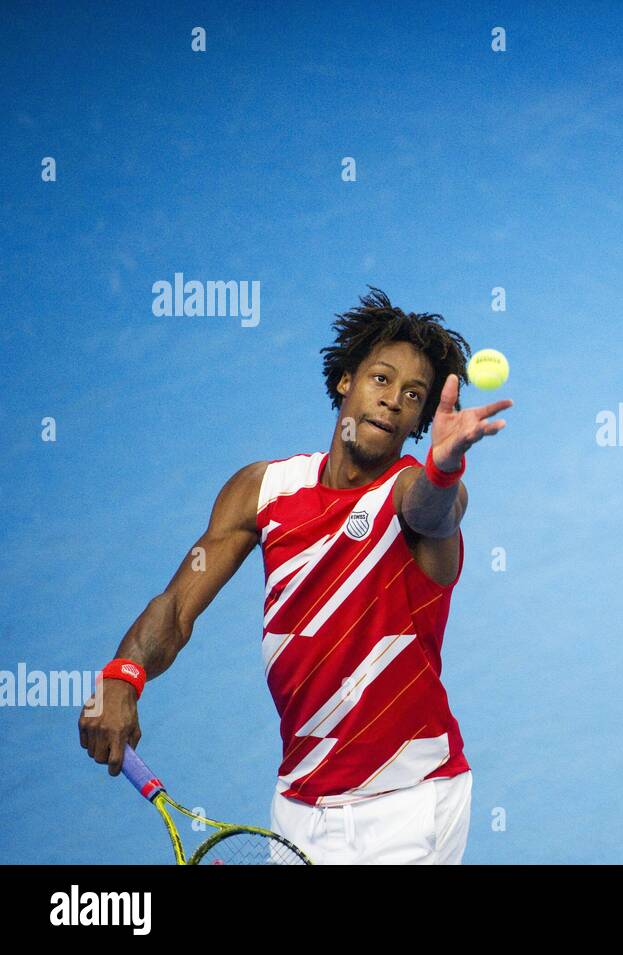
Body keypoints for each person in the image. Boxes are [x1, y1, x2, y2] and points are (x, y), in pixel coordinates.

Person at [78, 287, 510, 864]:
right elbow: (177, 608)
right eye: (381, 380)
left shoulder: (411, 493)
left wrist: (445, 465)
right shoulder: (263, 491)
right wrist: (124, 673)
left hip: (410, 803)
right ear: (345, 382)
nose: (392, 401)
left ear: (419, 422)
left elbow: (435, 510)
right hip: (299, 810)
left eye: (413, 396)